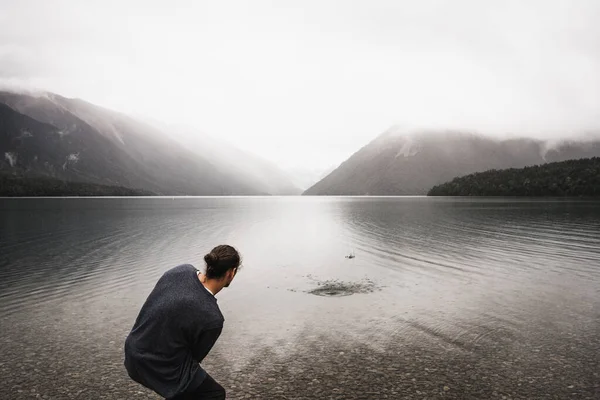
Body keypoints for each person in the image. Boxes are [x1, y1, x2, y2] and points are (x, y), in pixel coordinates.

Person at [124, 245, 241, 400]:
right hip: (153, 366)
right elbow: (192, 360)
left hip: (132, 353)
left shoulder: (180, 270)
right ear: (230, 273)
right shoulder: (213, 318)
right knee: (214, 394)